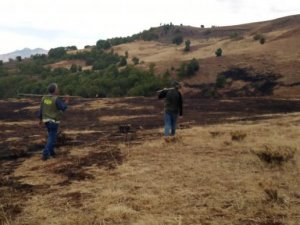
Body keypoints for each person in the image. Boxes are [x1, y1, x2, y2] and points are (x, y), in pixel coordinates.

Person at [38, 83, 69, 161]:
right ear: (54, 90)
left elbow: (41, 109)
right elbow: (63, 108)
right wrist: (67, 100)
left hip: (46, 121)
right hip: (53, 121)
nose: (58, 90)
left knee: (51, 136)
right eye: (57, 88)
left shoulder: (44, 98)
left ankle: (52, 153)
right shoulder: (56, 99)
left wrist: (40, 119)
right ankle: (45, 153)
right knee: (52, 137)